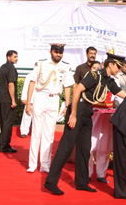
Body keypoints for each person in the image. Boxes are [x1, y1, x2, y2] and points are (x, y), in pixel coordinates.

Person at [44, 52, 126, 196]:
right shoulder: (94, 75)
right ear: (111, 64)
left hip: (88, 112)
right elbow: (77, 91)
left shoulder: (108, 80)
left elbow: (121, 93)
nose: (119, 69)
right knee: (66, 148)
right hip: (78, 109)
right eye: (118, 67)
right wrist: (73, 114)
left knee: (85, 148)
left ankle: (81, 183)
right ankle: (50, 182)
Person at [25, 43, 74, 173]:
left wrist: (67, 105)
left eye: (60, 52)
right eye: (56, 52)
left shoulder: (66, 66)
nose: (58, 54)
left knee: (49, 133)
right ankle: (32, 164)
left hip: (54, 99)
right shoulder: (41, 64)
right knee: (36, 132)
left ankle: (45, 165)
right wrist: (28, 103)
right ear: (50, 51)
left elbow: (67, 87)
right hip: (41, 96)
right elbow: (32, 82)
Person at [0, 50, 18, 153]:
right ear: (8, 57)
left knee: (0, 120)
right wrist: (13, 100)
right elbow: (11, 84)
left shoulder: (2, 67)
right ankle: (4, 145)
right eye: (14, 57)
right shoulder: (11, 68)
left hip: (1, 98)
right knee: (7, 122)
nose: (16, 59)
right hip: (8, 99)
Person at [20, 71, 35, 137]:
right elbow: (26, 87)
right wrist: (23, 98)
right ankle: (24, 132)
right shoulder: (30, 75)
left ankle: (36, 132)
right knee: (27, 116)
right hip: (30, 99)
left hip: (40, 100)